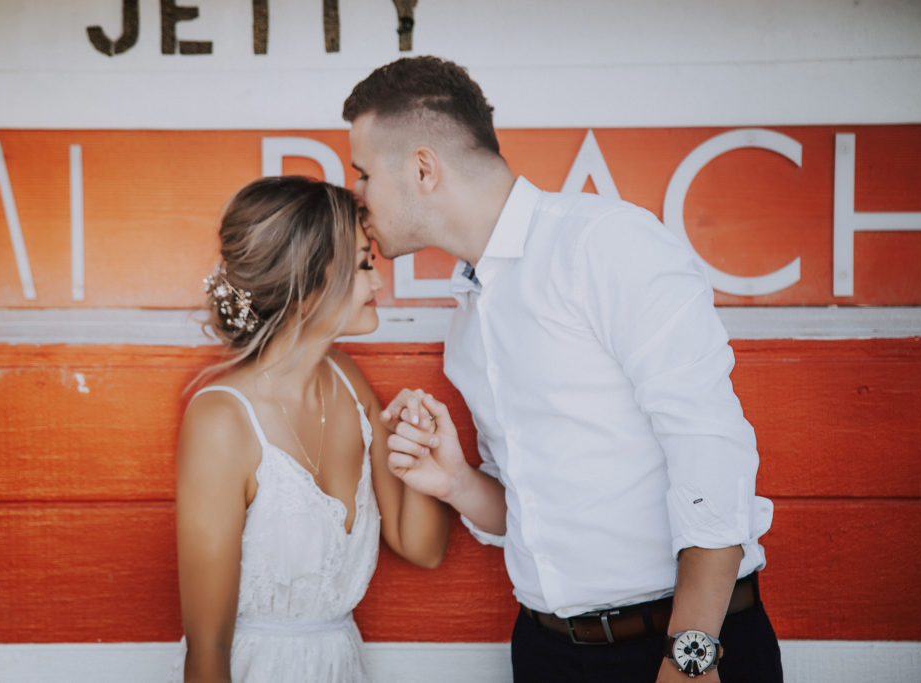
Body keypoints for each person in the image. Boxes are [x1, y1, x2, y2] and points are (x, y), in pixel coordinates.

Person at [342, 56, 783, 682]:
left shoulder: (602, 244)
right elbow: (525, 511)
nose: (357, 195)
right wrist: (457, 482)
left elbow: (711, 450)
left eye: (363, 174)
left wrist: (691, 656)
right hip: (548, 652)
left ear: (422, 168)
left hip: (682, 643)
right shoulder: (468, 323)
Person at [170, 175, 449, 683]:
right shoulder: (221, 422)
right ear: (306, 283)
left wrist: (422, 454)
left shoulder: (349, 382)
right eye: (365, 264)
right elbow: (207, 646)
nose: (378, 281)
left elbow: (421, 547)